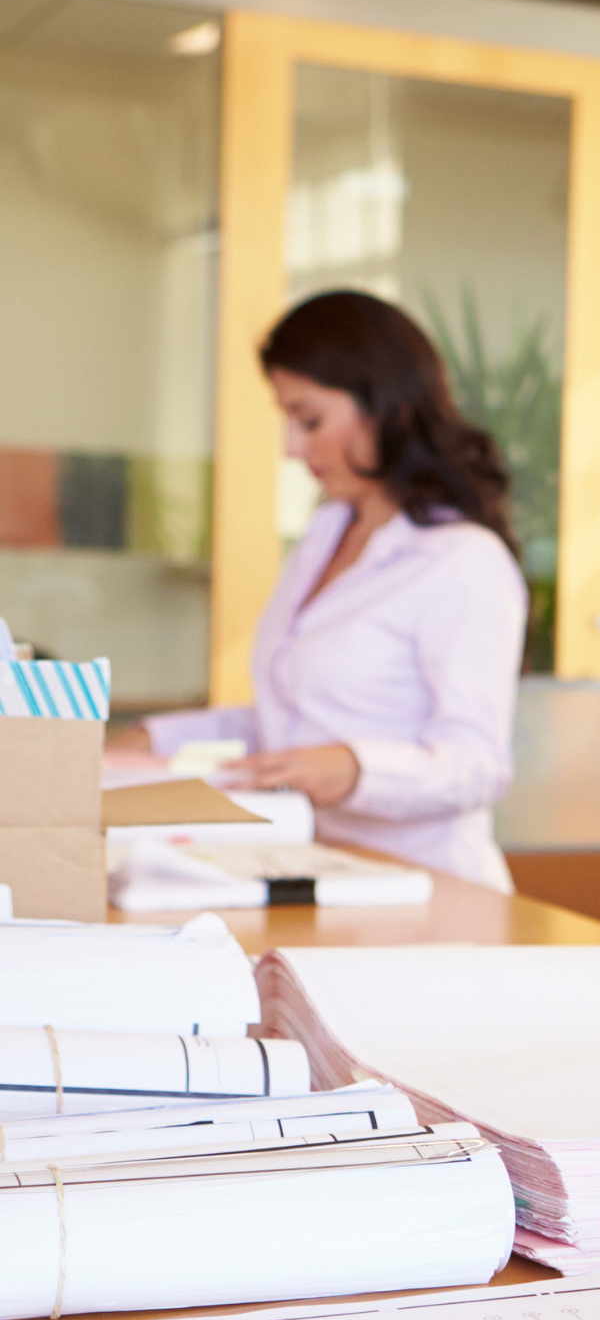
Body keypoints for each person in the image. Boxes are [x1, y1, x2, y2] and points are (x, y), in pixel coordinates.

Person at [145, 290, 528, 892]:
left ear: (388, 405)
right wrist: (153, 740)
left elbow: (477, 766)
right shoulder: (326, 533)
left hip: (430, 893)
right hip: (314, 875)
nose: (292, 448)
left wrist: (355, 769)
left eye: (310, 419)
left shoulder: (462, 561)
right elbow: (295, 723)